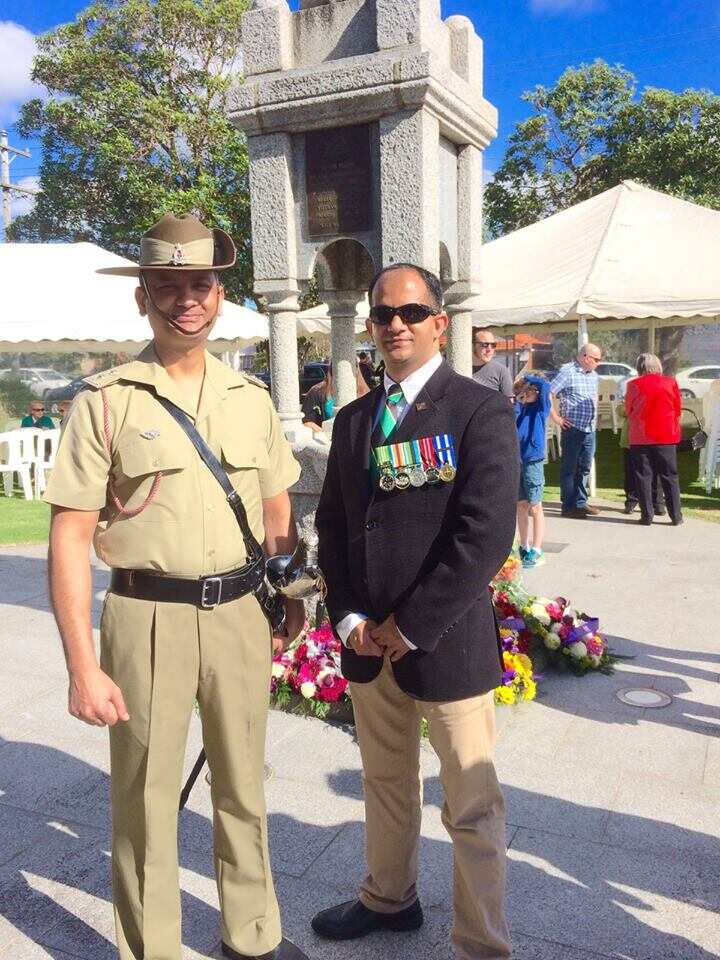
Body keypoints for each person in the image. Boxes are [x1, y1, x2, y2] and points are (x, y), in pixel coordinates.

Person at [43, 213, 308, 960]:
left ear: (219, 294)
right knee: (146, 800)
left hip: (240, 614)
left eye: (200, 284)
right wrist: (81, 666)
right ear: (143, 297)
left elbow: (277, 510)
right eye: (168, 285)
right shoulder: (106, 401)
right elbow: (69, 537)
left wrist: (290, 598)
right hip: (146, 617)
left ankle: (252, 935)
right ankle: (151, 949)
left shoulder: (251, 398)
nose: (186, 299)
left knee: (244, 785)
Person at [313, 263, 518, 960]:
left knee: (471, 803)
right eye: (383, 314)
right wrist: (348, 618)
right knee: (385, 784)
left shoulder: (477, 409)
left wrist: (413, 623)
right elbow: (336, 526)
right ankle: (388, 898)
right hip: (368, 644)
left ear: (439, 322)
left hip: (445, 643)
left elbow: (485, 535)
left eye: (410, 312)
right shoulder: (353, 420)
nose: (394, 324)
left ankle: (481, 943)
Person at [625, 353, 683, 526]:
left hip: (641, 436)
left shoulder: (633, 384)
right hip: (666, 435)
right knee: (670, 476)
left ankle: (647, 516)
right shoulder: (670, 383)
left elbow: (628, 410)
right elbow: (677, 408)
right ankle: (676, 516)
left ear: (639, 367)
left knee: (643, 476)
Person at [549, 343, 602, 518]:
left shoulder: (593, 376)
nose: (598, 363)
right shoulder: (568, 372)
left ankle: (580, 502)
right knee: (569, 468)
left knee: (585, 467)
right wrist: (556, 418)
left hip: (589, 429)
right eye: (596, 359)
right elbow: (548, 393)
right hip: (573, 429)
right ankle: (568, 506)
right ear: (586, 357)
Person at [514, 373, 551, 568]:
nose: (528, 393)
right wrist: (519, 400)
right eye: (526, 390)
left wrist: (528, 378)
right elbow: (510, 422)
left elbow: (544, 386)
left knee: (535, 506)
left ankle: (537, 549)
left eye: (531, 390)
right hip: (518, 460)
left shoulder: (541, 408)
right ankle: (524, 545)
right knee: (521, 505)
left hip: (533, 461)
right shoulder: (519, 408)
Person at [617, 376, 665, 516]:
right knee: (634, 471)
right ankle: (634, 501)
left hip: (650, 436)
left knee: (653, 471)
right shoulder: (633, 388)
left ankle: (656, 503)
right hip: (635, 437)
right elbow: (622, 409)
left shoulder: (659, 389)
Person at [471, 327, 514, 399]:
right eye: (485, 345)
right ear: (472, 345)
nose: (489, 349)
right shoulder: (458, 368)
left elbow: (509, 403)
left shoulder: (501, 371)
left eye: (493, 345)